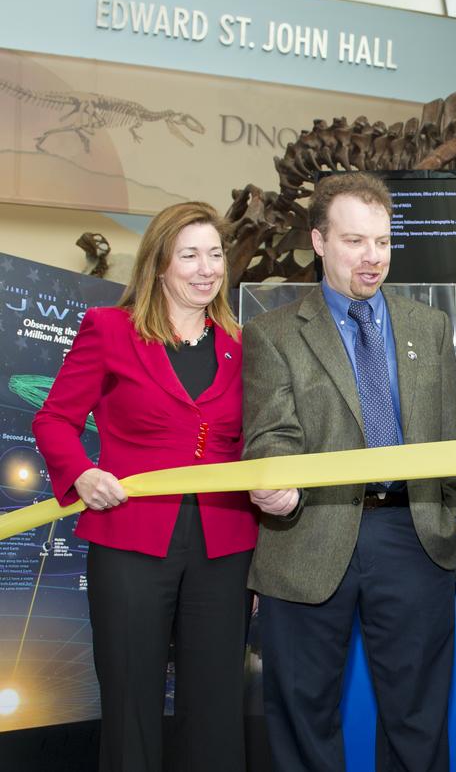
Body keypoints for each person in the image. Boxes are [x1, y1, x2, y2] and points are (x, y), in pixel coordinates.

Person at [241, 171, 456, 772]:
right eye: (354, 242)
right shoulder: (272, 334)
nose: (372, 259)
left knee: (418, 721)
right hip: (309, 534)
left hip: (413, 537)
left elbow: (452, 439)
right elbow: (271, 432)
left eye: (383, 242)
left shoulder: (429, 327)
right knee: (303, 716)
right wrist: (273, 481)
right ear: (319, 242)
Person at [32, 202, 256, 772]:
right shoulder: (109, 330)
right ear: (159, 264)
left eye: (214, 255)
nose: (207, 268)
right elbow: (53, 419)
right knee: (131, 703)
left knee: (217, 707)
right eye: (190, 255)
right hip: (130, 542)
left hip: (225, 549)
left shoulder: (244, 344)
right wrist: (82, 473)